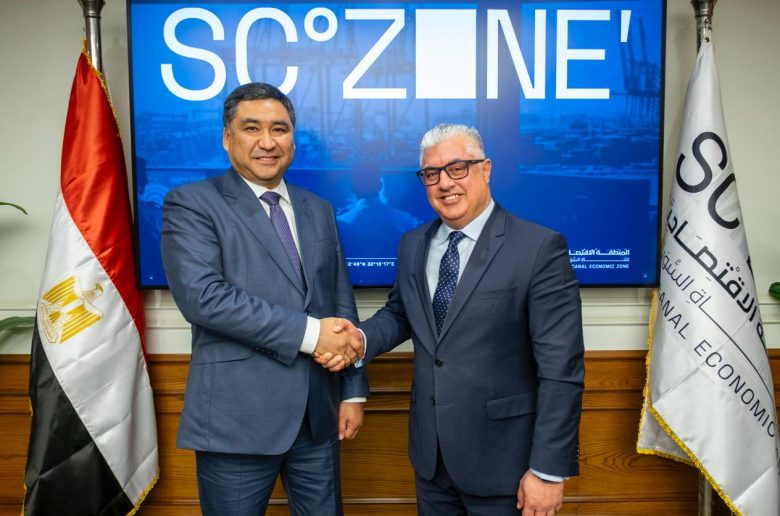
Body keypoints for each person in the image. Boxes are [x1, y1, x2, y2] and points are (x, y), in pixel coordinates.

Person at [323, 124, 584, 515]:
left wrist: (547, 471)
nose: (445, 183)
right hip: (432, 462)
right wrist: (358, 339)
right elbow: (401, 314)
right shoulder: (413, 244)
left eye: (457, 168)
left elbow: (562, 370)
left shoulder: (538, 248)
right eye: (432, 174)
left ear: (486, 169)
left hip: (506, 466)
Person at [161, 82, 367, 516]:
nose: (268, 142)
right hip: (236, 421)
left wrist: (353, 391)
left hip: (318, 416)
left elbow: (340, 301)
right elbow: (204, 298)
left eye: (279, 129)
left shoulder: (319, 208)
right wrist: (312, 335)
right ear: (227, 137)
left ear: (293, 138)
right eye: (251, 128)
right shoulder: (192, 203)